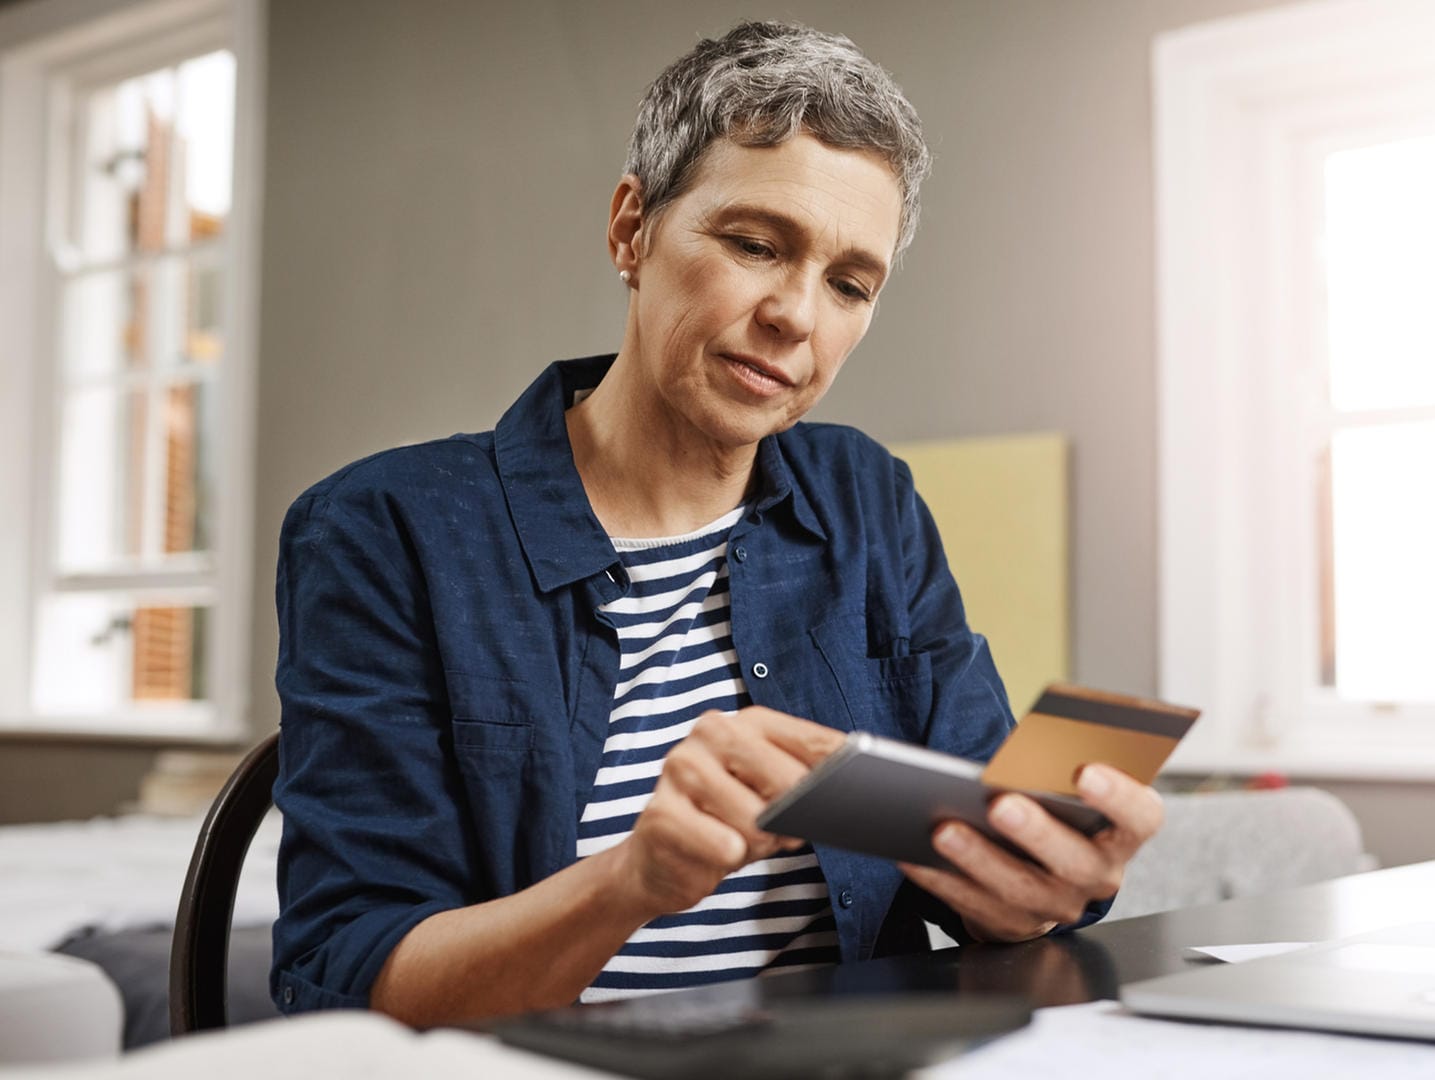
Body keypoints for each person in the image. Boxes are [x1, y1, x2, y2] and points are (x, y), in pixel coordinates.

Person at [271, 21, 1164, 1027]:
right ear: (630, 230)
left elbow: (979, 859)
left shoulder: (866, 499)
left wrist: (1051, 881)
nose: (796, 315)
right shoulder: (385, 530)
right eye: (754, 244)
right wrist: (632, 882)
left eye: (849, 283)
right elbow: (348, 974)